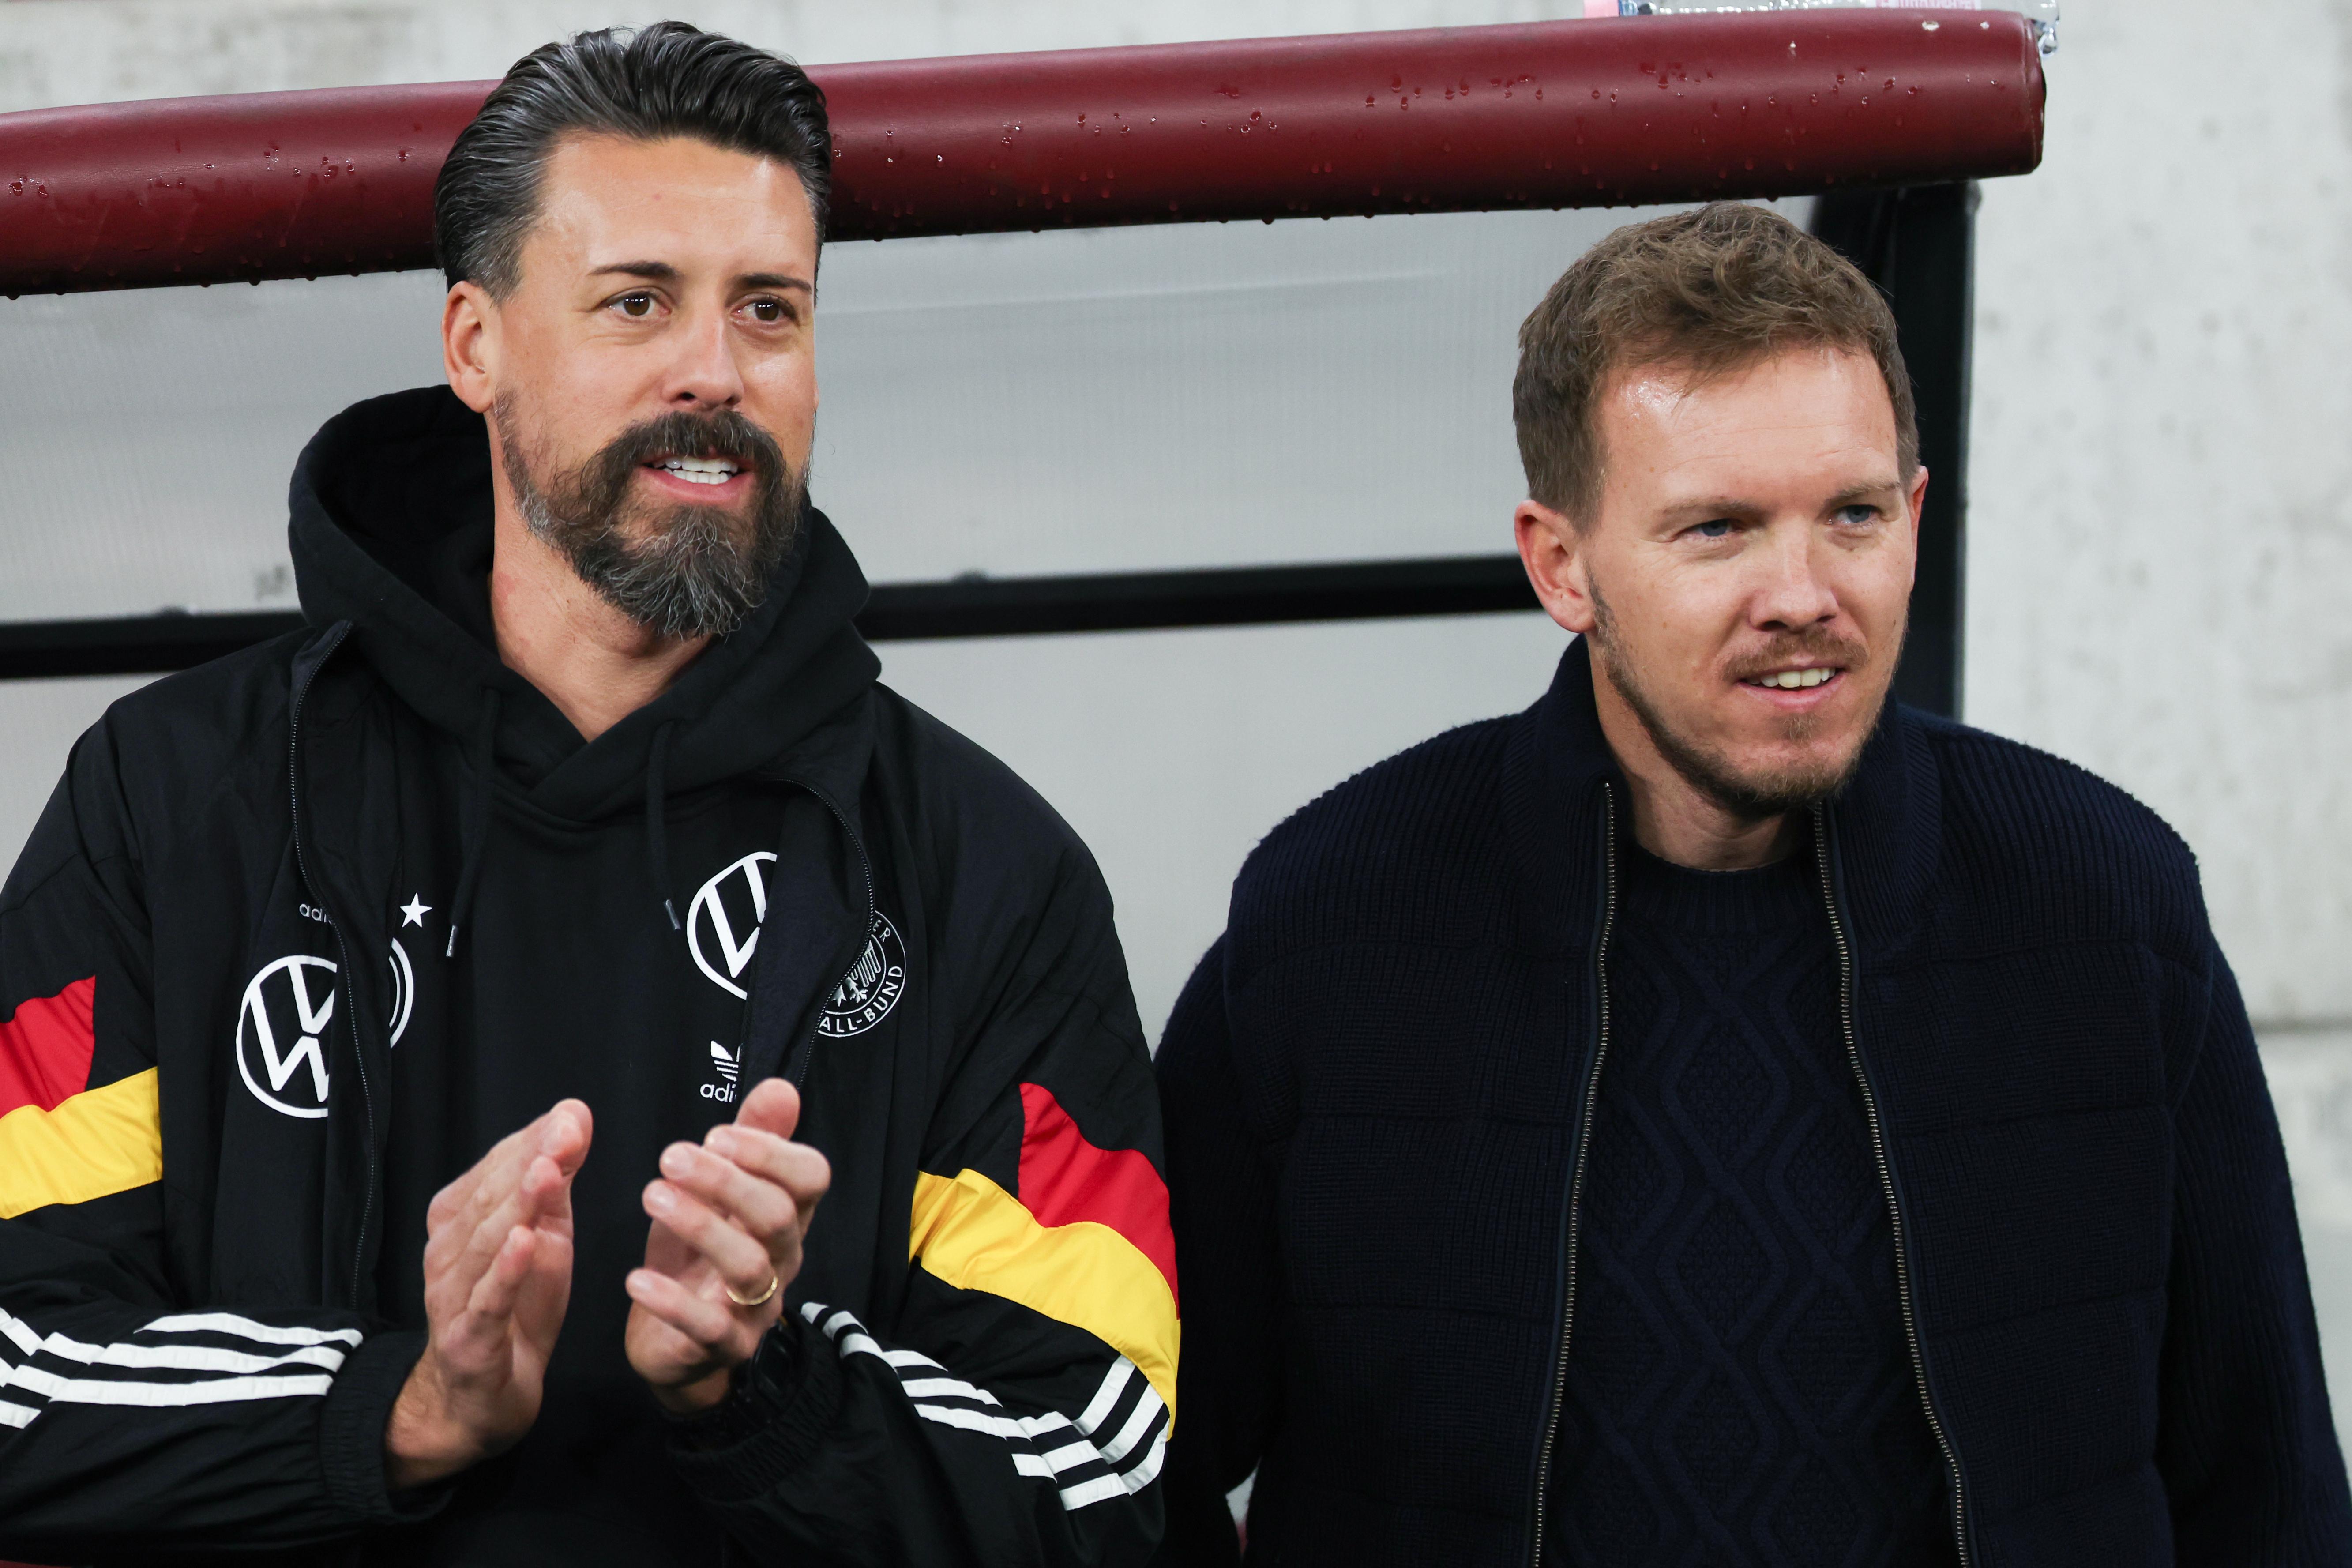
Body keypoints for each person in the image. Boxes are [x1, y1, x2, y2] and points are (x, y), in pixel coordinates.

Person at [0, 24, 1176, 1567]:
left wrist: (763, 1387)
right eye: (638, 301)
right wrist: (405, 1405)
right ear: (474, 346)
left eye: (770, 309)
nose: (716, 372)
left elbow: (1099, 1475)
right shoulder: (175, 798)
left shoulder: (980, 868)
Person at [1153, 203, 2351, 1565]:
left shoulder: (2102, 905)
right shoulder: (1335, 924)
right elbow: (1132, 1466)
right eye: (1717, 528)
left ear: (1913, 516)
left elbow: (2269, 1500)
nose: (1800, 593)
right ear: (1561, 565)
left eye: (1851, 514)